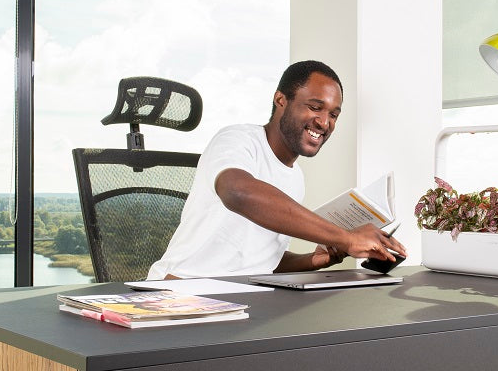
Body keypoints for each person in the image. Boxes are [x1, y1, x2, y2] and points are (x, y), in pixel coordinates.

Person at [147, 60, 406, 279]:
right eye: (315, 107)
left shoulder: (296, 179)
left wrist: (313, 261)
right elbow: (237, 192)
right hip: (179, 290)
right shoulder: (238, 140)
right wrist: (346, 238)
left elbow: (259, 260)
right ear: (281, 100)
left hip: (239, 299)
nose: (324, 122)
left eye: (334, 114)